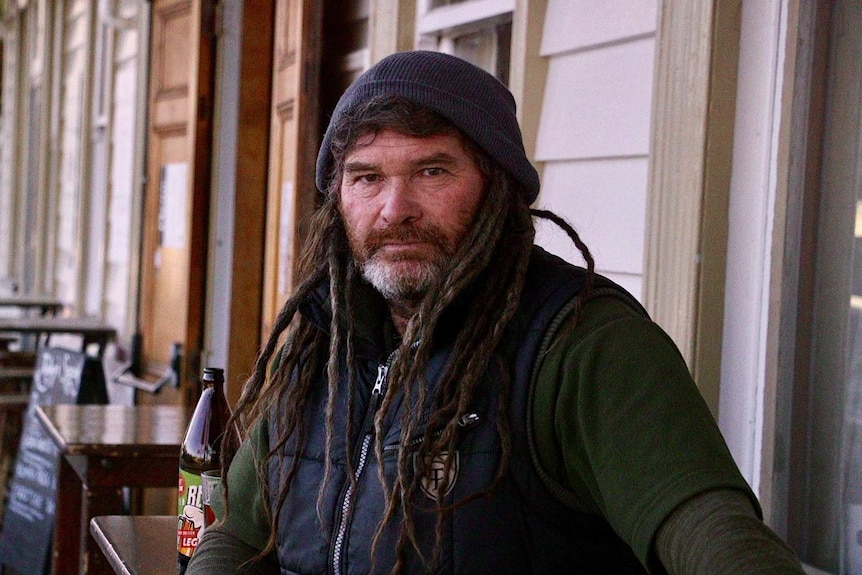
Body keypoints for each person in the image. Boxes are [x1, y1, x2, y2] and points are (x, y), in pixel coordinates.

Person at [188, 51, 805, 574]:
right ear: (338, 199)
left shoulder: (585, 343)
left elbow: (712, 534)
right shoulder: (326, 341)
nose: (394, 208)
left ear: (497, 187)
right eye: (366, 177)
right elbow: (238, 534)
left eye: (432, 170)